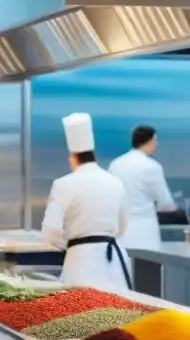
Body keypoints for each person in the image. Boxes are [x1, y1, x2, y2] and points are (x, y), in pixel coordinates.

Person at [41, 113, 132, 290]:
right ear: (94, 157)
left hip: (80, 261)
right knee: (117, 312)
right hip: (112, 263)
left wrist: (70, 245)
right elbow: (122, 228)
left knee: (81, 313)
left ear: (73, 158)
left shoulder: (63, 184)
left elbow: (50, 232)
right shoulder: (115, 182)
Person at [108, 125, 176, 252]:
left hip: (120, 231)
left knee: (123, 268)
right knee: (147, 269)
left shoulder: (115, 164)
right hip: (144, 233)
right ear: (151, 141)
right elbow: (166, 204)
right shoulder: (151, 167)